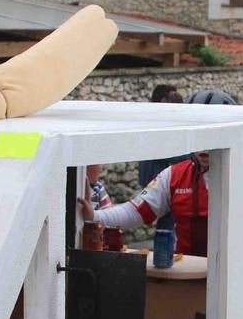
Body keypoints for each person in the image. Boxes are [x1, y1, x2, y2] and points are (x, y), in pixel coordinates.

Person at [82, 151, 212, 256]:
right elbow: (135, 211)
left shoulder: (232, 174)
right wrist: (94, 216)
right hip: (189, 269)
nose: (205, 149)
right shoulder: (174, 175)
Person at [136, 84, 185, 234]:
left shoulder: (151, 121)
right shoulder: (157, 124)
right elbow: (168, 153)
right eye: (171, 100)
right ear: (163, 101)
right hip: (159, 182)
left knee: (166, 224)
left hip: (157, 181)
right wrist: (191, 154)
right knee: (166, 225)